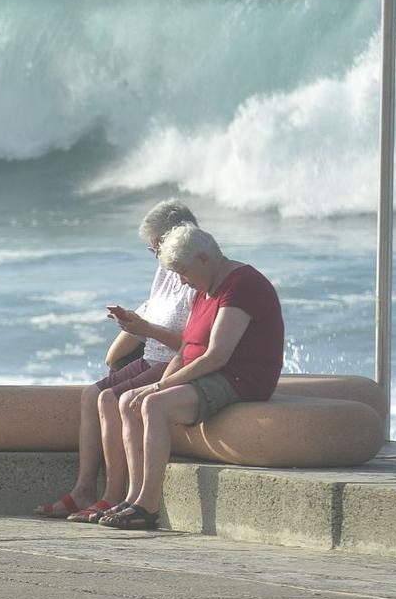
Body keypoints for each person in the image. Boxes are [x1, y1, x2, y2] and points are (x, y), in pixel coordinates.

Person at [97, 224, 286, 530]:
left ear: (204, 259)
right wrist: (153, 385)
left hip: (239, 377)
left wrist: (161, 386)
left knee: (154, 405)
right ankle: (132, 498)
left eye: (184, 272)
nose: (183, 281)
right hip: (206, 373)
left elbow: (217, 356)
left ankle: (148, 505)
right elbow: (186, 350)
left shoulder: (241, 285)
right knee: (130, 401)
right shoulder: (203, 288)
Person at [35, 198, 200, 521]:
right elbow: (153, 310)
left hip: (173, 362)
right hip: (152, 355)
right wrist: (129, 329)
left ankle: (114, 494)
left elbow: (192, 344)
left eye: (157, 248)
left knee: (112, 399)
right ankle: (84, 487)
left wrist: (145, 328)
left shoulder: (191, 274)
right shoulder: (166, 269)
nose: (156, 256)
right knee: (92, 394)